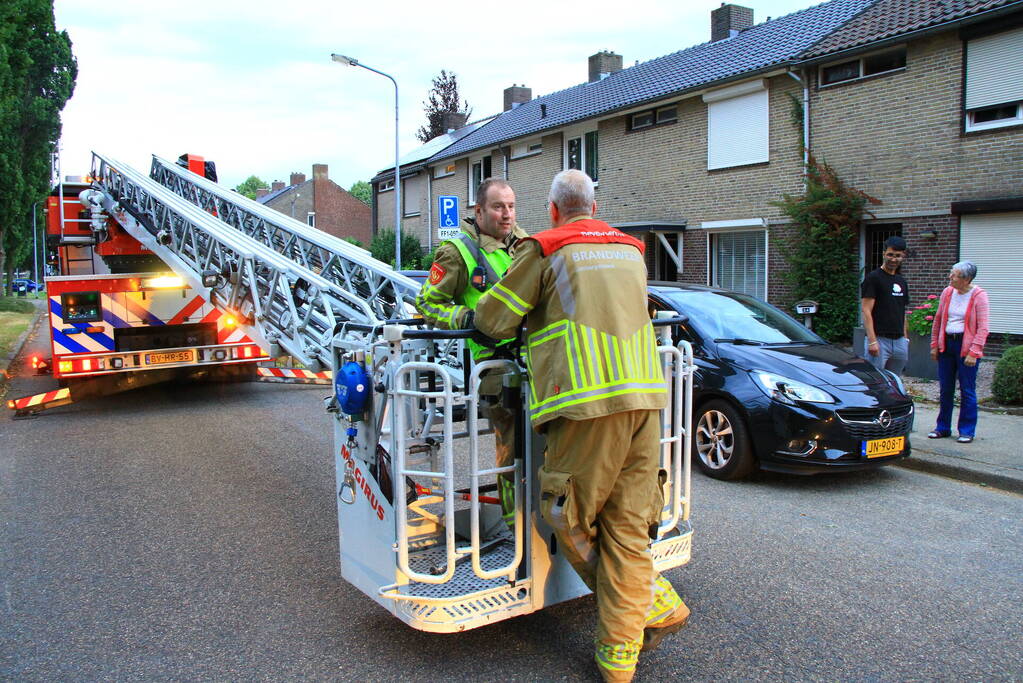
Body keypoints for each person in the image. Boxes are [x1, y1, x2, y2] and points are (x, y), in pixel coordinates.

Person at [473, 169, 688, 682]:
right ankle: (620, 661)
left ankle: (650, 600)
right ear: (593, 205)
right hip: (645, 401)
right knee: (628, 527)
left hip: (585, 406)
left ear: (551, 209)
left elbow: (491, 321)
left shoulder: (544, 247)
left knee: (565, 515)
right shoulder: (631, 248)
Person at [415, 178, 528, 524]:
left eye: (510, 206)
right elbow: (427, 303)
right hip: (493, 365)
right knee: (514, 446)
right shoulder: (457, 251)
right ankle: (516, 524)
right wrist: (467, 317)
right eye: (498, 207)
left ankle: (544, 518)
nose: (506, 214)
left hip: (534, 356)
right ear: (478, 211)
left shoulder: (525, 243)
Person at [927, 261, 990, 444]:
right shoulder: (947, 293)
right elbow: (938, 320)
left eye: (954, 275)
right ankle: (942, 427)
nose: (950, 277)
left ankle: (967, 430)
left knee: (967, 390)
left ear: (966, 279)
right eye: (951, 273)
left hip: (966, 347)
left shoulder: (979, 296)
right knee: (945, 388)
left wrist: (974, 351)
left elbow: (983, 327)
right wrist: (934, 345)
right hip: (947, 344)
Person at [861, 235, 911, 375]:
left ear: (903, 256)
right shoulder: (873, 278)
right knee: (876, 381)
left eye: (898, 255)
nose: (893, 259)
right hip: (879, 340)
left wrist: (905, 339)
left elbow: (902, 311)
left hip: (899, 341)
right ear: (884, 254)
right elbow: (866, 310)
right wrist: (872, 341)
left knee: (895, 381)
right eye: (890, 254)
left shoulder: (901, 281)